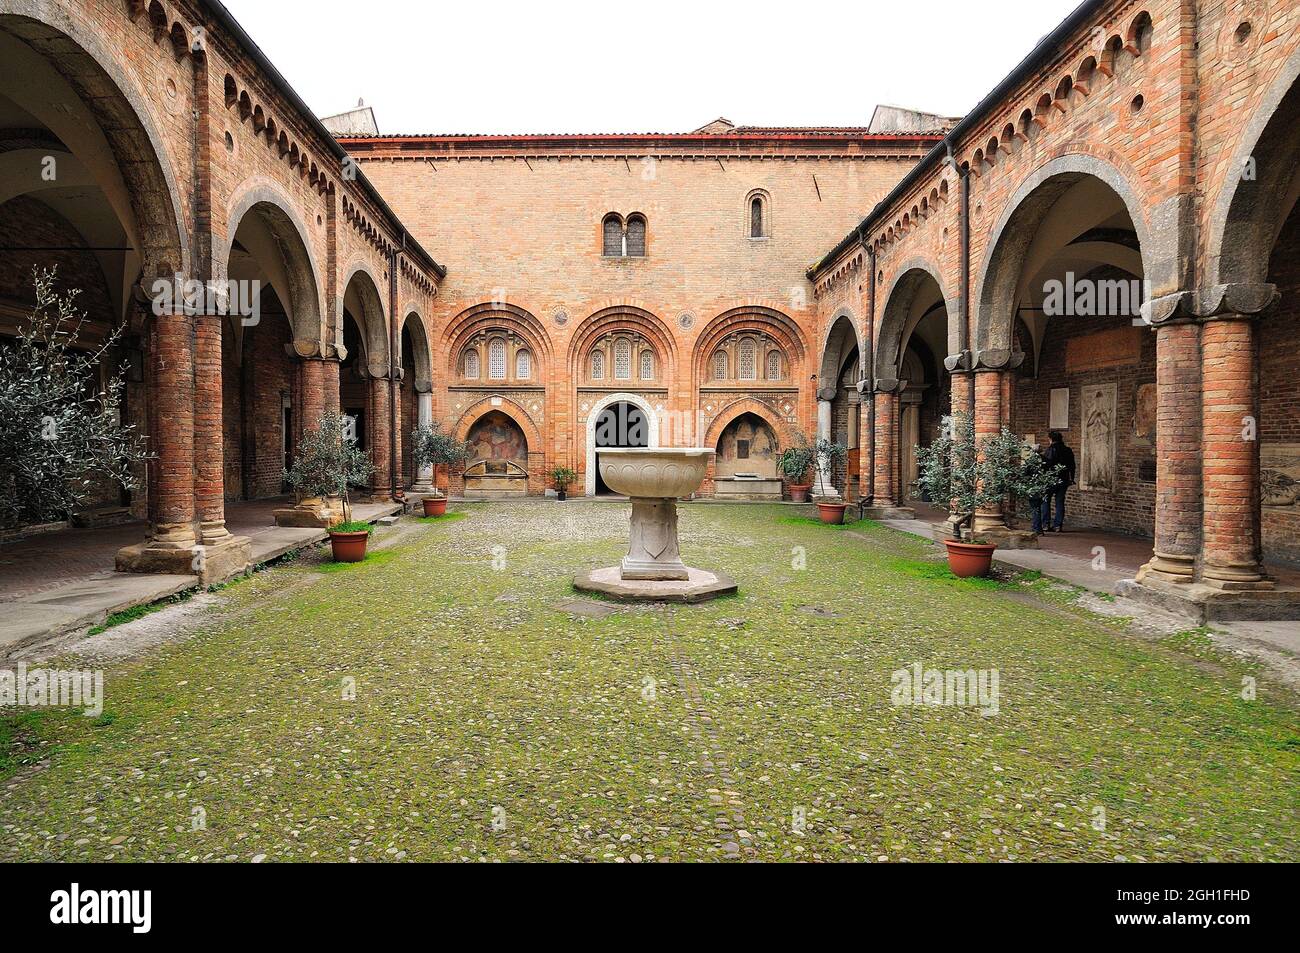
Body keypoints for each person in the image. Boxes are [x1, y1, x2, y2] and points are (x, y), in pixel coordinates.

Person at [1041, 431, 1076, 532]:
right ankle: (1058, 525)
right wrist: (1072, 478)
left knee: (1045, 501)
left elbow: (1046, 465)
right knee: (1060, 502)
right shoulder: (1068, 450)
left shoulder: (1050, 450)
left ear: (1051, 439)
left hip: (1050, 479)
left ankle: (1046, 524)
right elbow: (1072, 466)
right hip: (1063, 479)